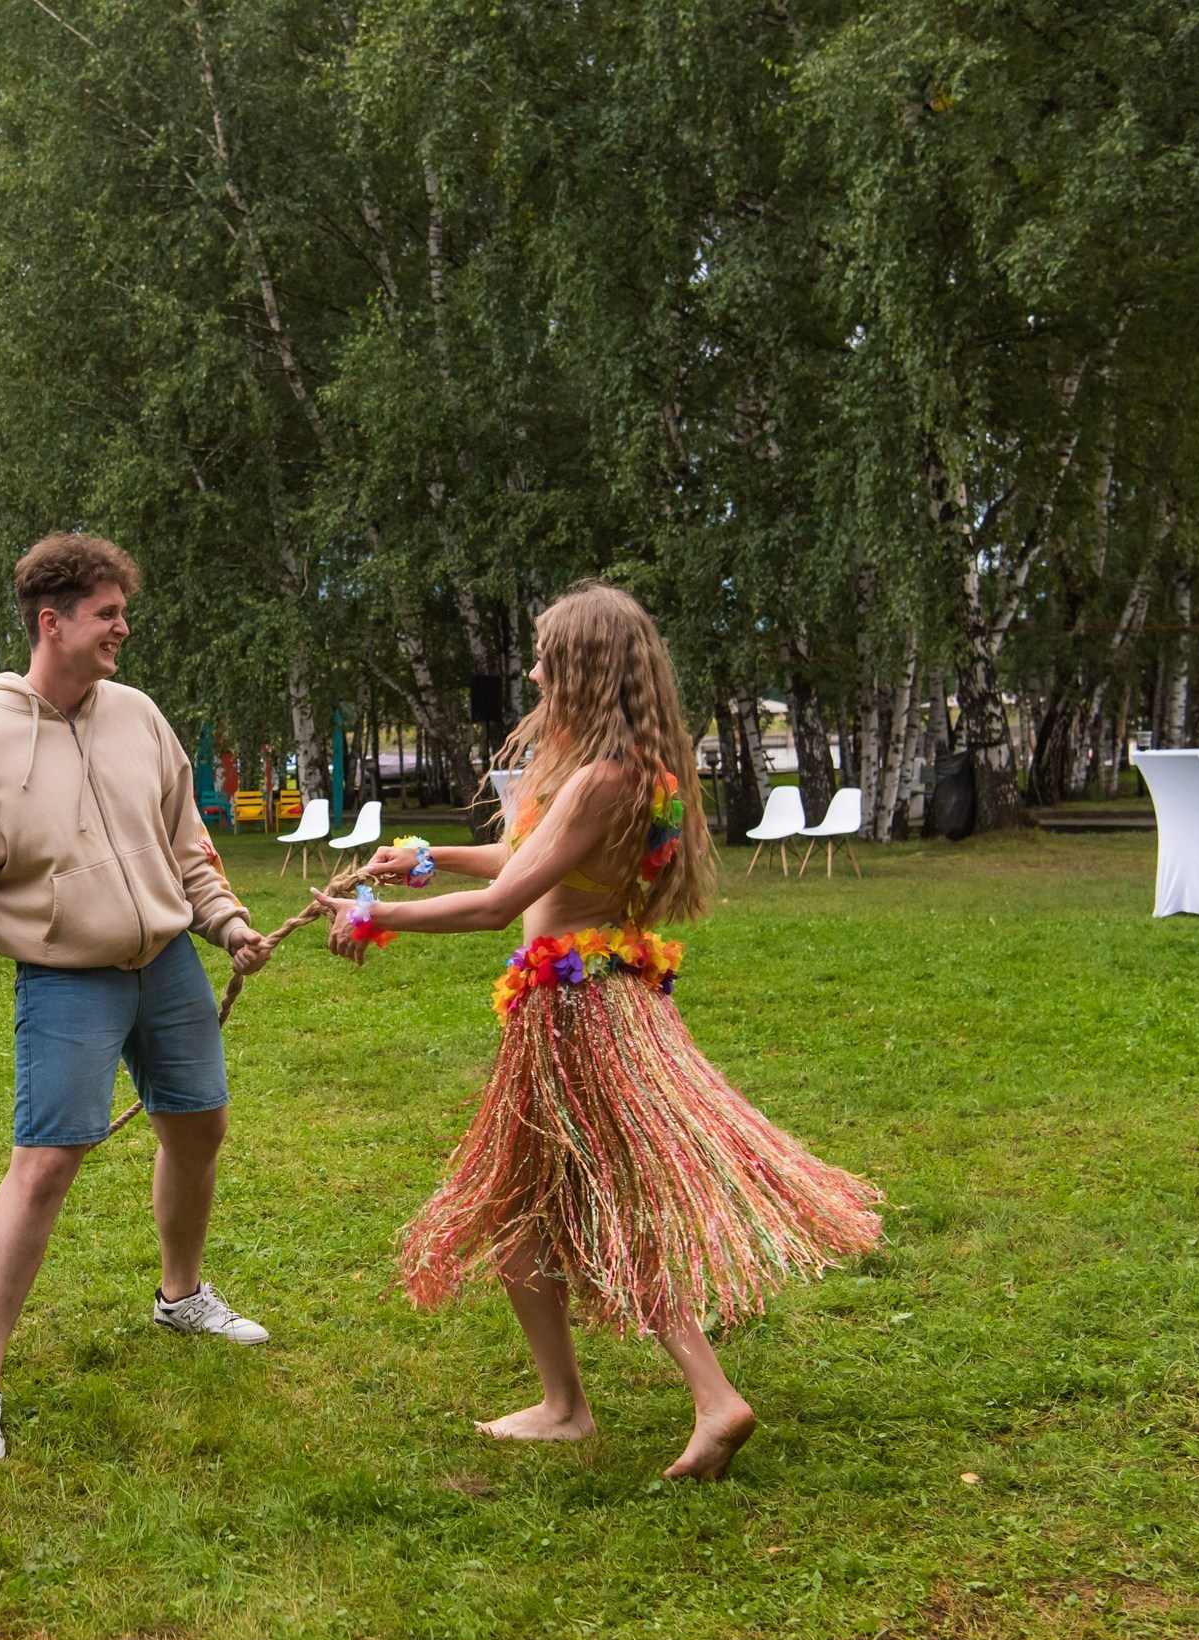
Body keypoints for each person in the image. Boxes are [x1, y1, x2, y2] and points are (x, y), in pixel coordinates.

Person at [315, 582, 883, 1480]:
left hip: (573, 1014)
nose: (535, 672)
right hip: (604, 995)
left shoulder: (599, 780)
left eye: (547, 658)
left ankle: (699, 1398)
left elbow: (502, 903)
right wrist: (425, 857)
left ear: (583, 667)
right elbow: (524, 857)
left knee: (593, 1203)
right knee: (523, 1214)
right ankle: (566, 1406)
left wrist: (374, 916)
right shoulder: (635, 772)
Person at [0, 534, 276, 1463]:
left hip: (168, 963)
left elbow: (186, 838)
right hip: (65, 977)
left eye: (121, 610)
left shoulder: (138, 715)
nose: (122, 627)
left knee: (200, 1127)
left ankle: (181, 1296)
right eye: (107, 613)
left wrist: (226, 922)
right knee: (46, 1166)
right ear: (51, 623)